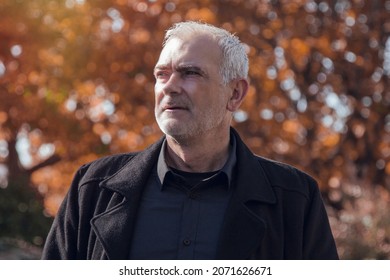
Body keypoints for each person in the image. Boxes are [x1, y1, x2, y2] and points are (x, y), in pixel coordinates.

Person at [42, 21, 338, 260]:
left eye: (190, 73)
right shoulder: (92, 189)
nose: (169, 87)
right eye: (162, 74)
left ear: (235, 93)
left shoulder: (295, 199)